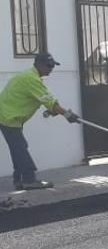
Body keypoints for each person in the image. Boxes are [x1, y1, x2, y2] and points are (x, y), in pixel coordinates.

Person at [0, 53, 79, 190]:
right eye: (49, 66)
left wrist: (53, 110)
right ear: (39, 65)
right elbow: (50, 102)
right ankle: (29, 180)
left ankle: (19, 180)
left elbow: (45, 102)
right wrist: (67, 115)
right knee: (20, 148)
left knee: (17, 149)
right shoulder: (31, 79)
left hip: (8, 116)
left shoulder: (30, 76)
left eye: (53, 66)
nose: (51, 69)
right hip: (8, 118)